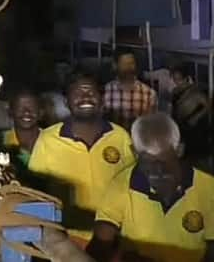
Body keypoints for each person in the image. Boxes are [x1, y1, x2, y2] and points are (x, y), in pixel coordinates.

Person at [87, 112, 214, 262]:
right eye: (148, 163)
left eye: (165, 162)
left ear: (179, 150)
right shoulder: (121, 185)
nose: (158, 172)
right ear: (134, 153)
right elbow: (101, 242)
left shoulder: (207, 188)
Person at [29, 74, 136, 245]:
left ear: (102, 99)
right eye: (78, 93)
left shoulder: (120, 136)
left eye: (91, 92)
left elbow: (133, 184)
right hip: (68, 237)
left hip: (114, 236)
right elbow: (35, 190)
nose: (85, 97)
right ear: (66, 102)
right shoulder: (48, 139)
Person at [103, 51, 157, 130]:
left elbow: (151, 124)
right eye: (124, 64)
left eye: (131, 63)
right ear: (115, 66)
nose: (129, 67)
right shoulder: (106, 90)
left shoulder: (149, 93)